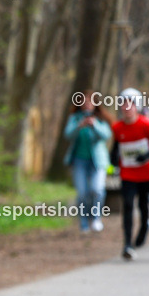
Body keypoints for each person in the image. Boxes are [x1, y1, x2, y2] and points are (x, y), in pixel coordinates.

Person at [111, 88, 149, 260]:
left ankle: (144, 228)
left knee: (142, 204)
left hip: (146, 173)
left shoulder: (146, 124)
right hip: (127, 173)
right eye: (123, 104)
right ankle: (127, 244)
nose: (126, 108)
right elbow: (117, 146)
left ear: (137, 106)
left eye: (130, 104)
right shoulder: (117, 127)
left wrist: (146, 156)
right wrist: (113, 159)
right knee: (127, 204)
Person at [63, 91, 112, 232]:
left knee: (97, 190)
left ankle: (96, 218)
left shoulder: (100, 118)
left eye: (90, 102)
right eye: (84, 102)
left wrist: (94, 125)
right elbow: (67, 135)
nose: (87, 105)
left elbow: (106, 135)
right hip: (79, 161)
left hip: (98, 161)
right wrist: (79, 125)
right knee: (83, 192)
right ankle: (84, 222)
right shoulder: (74, 118)